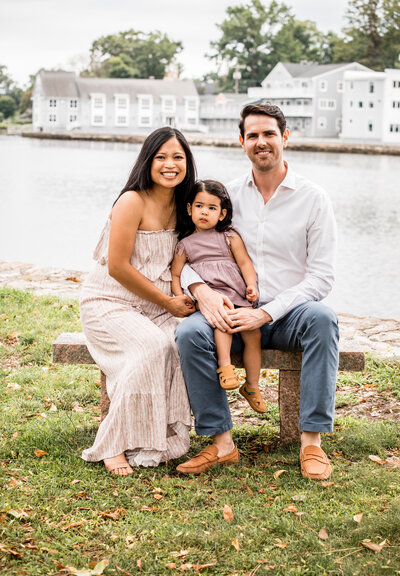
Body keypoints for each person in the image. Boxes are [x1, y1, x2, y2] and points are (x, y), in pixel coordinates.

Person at [175, 103, 339, 479]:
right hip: (230, 310)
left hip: (288, 314)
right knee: (188, 333)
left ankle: (311, 442)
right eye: (253, 135)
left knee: (324, 320)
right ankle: (221, 442)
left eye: (269, 134)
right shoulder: (224, 198)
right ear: (241, 142)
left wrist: (266, 312)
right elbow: (186, 250)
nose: (261, 142)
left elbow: (322, 277)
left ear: (284, 137)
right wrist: (199, 289)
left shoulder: (314, 199)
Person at [79, 127, 197, 476]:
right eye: (161, 157)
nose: (170, 164)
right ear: (148, 161)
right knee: (150, 347)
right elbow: (117, 267)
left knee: (179, 344)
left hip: (157, 305)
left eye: (178, 157)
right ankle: (112, 444)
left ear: (187, 162)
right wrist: (167, 300)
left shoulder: (185, 204)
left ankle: (160, 434)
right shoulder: (132, 200)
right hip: (109, 302)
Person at [171, 179, 265, 414]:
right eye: (200, 206)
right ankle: (226, 368)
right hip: (214, 297)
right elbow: (175, 274)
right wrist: (178, 298)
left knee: (253, 333)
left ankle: (252, 385)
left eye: (212, 208)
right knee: (221, 323)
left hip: (238, 294)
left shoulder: (230, 236)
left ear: (222, 214)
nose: (205, 212)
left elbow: (244, 263)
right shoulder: (185, 244)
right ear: (189, 209)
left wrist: (252, 285)